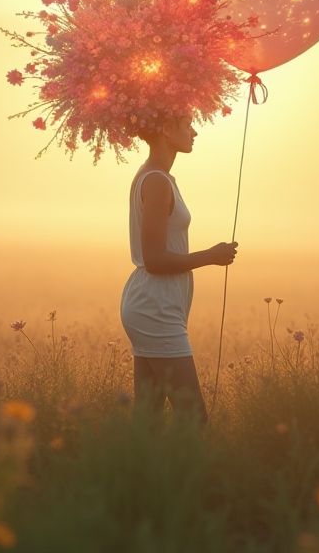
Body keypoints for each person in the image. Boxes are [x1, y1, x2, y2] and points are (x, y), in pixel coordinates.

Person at [120, 112, 238, 423]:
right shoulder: (156, 181)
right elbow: (156, 259)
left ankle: (134, 471)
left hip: (155, 302)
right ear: (164, 129)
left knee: (148, 418)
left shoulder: (158, 177)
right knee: (194, 417)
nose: (194, 132)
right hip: (155, 308)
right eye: (187, 125)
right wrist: (211, 256)